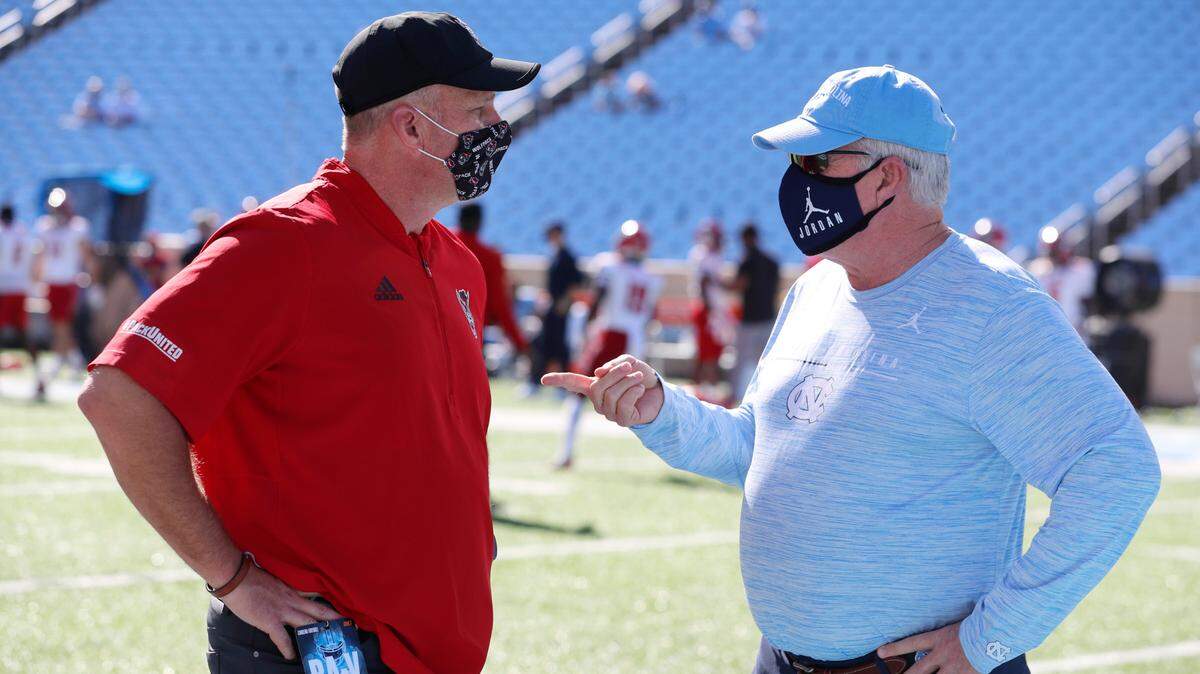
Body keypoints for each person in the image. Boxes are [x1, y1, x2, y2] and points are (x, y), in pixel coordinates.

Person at [544, 65, 1160, 674]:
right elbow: (755, 448)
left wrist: (991, 639)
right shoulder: (818, 289)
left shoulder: (990, 305)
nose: (796, 179)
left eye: (817, 162)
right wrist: (661, 411)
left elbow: (1117, 470)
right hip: (784, 660)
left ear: (888, 177)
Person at [77, 12, 539, 673]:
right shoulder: (285, 244)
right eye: (479, 107)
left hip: (432, 644)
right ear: (410, 125)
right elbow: (118, 395)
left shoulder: (456, 261)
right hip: (316, 647)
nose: (498, 126)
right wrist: (232, 578)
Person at [554, 220, 661, 469]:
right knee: (638, 400)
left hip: (611, 335)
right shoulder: (651, 278)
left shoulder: (610, 267)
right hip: (635, 341)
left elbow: (597, 301)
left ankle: (566, 451)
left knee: (579, 392)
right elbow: (649, 316)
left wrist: (584, 330)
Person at [455, 202, 529, 358]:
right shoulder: (490, 257)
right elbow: (499, 303)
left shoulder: (436, 246)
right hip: (471, 332)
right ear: (480, 222)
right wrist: (519, 342)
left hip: (436, 329)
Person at [35, 188, 91, 383]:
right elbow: (41, 255)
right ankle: (67, 358)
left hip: (69, 281)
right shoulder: (45, 227)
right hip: (52, 281)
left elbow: (86, 255)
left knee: (64, 323)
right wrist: (38, 278)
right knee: (57, 322)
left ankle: (67, 359)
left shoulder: (77, 227)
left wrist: (92, 279)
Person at [526, 221, 583, 395]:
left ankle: (563, 386)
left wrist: (564, 303)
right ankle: (536, 382)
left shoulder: (568, 257)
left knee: (560, 347)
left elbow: (576, 283)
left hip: (561, 309)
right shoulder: (555, 256)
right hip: (551, 307)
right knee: (543, 344)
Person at [731, 222, 779, 400]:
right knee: (766, 363)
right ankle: (768, 397)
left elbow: (739, 285)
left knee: (741, 361)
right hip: (768, 318)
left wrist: (716, 283)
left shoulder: (747, 261)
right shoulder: (772, 262)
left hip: (750, 320)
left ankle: (735, 397)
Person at [0, 203, 43, 399]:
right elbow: (35, 257)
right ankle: (39, 377)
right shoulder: (24, 233)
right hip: (20, 288)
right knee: (24, 334)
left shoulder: (3, 232)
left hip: (4, 287)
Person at [689, 218, 731, 395]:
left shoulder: (709, 255)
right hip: (707, 308)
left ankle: (702, 387)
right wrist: (710, 310)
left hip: (710, 308)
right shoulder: (703, 255)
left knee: (710, 350)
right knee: (708, 352)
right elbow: (705, 283)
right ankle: (705, 388)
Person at [1027, 227, 1095, 337]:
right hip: (1047, 327)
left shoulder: (1081, 269)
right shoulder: (1038, 270)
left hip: (1074, 327)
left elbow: (1088, 298)